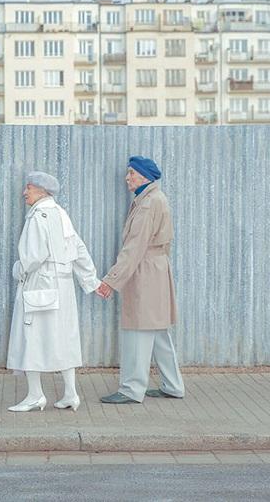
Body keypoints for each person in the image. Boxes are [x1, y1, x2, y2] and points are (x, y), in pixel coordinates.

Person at [6, 171, 103, 412]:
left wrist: (18, 269)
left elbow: (33, 257)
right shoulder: (61, 214)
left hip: (40, 284)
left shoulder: (37, 216)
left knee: (32, 338)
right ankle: (70, 394)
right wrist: (91, 280)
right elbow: (79, 248)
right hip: (64, 287)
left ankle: (35, 395)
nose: (24, 193)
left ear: (41, 191)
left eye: (28, 188)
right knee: (64, 338)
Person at [97, 156, 185, 404]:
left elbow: (134, 247)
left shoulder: (148, 204)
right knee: (158, 333)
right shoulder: (153, 198)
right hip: (155, 270)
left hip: (145, 272)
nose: (127, 178)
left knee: (138, 330)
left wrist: (111, 280)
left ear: (145, 177)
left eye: (131, 174)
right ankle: (173, 386)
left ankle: (131, 390)